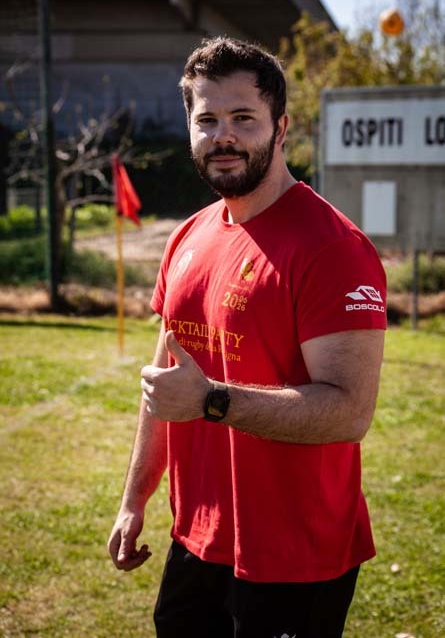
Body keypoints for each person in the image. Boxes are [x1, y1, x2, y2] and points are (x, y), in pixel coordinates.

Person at [108, 37, 387, 638]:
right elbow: (165, 389)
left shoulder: (333, 248)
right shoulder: (187, 237)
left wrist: (213, 401)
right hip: (197, 539)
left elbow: (350, 411)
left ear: (280, 127)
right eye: (207, 120)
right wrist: (134, 498)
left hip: (296, 554)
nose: (223, 136)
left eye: (243, 118)